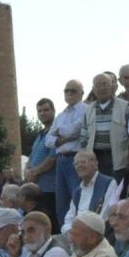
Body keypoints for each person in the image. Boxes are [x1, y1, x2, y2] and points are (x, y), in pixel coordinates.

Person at [49, 79, 87, 224]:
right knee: (62, 203)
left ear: (81, 93)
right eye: (67, 91)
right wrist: (63, 139)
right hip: (61, 160)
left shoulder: (85, 109)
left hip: (75, 158)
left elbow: (75, 129)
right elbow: (48, 140)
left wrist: (59, 133)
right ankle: (66, 235)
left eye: (73, 91)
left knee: (77, 198)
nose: (69, 93)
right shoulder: (61, 115)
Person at [81, 71, 129, 176]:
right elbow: (84, 136)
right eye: (98, 85)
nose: (102, 88)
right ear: (93, 89)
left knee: (117, 190)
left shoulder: (124, 107)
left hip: (118, 159)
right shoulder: (88, 109)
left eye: (105, 84)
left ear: (112, 86)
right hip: (95, 159)